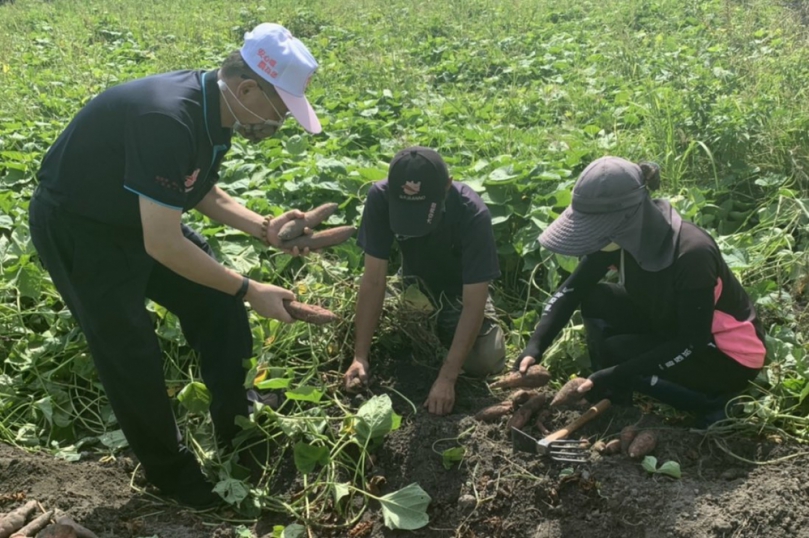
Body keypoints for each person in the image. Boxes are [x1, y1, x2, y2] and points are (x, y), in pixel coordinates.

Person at [27, 23, 322, 508]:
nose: (281, 122)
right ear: (248, 88)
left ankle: (237, 424)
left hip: (139, 214)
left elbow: (199, 187)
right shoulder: (168, 117)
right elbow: (164, 244)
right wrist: (250, 288)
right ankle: (173, 476)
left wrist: (263, 227)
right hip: (82, 227)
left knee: (216, 304)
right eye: (280, 110)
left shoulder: (216, 109)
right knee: (131, 349)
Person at [514, 156, 766, 425]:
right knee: (596, 298)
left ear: (628, 220)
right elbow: (573, 290)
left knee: (621, 351)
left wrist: (620, 371)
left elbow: (691, 340)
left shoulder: (692, 255)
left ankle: (713, 404)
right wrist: (535, 345)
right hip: (670, 323)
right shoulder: (618, 239)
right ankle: (608, 392)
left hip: (722, 353)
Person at [343, 146, 506, 415]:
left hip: (459, 294)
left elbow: (473, 303)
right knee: (388, 343)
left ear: (447, 187)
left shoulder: (471, 213)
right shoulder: (380, 198)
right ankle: (435, 341)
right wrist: (360, 356)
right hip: (412, 286)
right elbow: (373, 281)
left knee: (486, 359)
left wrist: (447, 378)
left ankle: (447, 348)